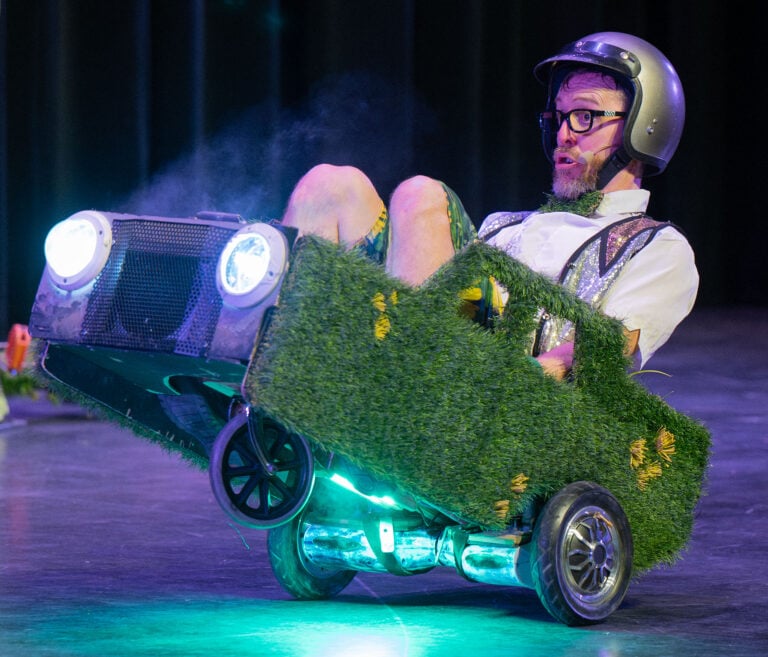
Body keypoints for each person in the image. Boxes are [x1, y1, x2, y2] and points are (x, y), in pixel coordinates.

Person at [279, 32, 698, 379]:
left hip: (494, 389)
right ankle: (279, 373)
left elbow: (609, 345)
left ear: (643, 127)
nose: (564, 135)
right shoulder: (504, 225)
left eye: (585, 116)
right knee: (330, 185)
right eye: (559, 117)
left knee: (420, 194)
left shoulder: (659, 247)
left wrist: (518, 386)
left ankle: (408, 386)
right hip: (428, 343)